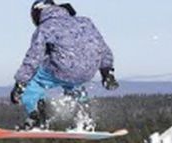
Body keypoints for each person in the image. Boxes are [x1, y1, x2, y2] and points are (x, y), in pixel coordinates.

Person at [10, 0, 119, 130]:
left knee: (35, 82)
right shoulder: (85, 22)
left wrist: (20, 84)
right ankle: (84, 117)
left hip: (62, 68)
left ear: (38, 13)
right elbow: (102, 47)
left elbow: (33, 57)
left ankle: (37, 119)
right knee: (73, 82)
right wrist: (107, 72)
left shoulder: (45, 27)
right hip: (89, 70)